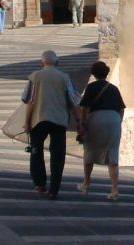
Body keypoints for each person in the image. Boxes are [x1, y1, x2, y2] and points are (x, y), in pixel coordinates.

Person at [24, 50, 78, 199]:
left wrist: (26, 122)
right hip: (59, 120)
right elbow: (73, 102)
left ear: (42, 63)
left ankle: (39, 184)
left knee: (36, 152)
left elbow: (29, 101)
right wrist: (79, 121)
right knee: (58, 155)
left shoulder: (35, 77)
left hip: (38, 119)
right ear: (57, 62)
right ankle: (54, 189)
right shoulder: (64, 78)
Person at [77, 60, 125, 201]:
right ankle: (114, 190)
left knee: (90, 151)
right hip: (114, 119)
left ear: (93, 73)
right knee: (113, 155)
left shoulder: (91, 87)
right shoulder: (114, 88)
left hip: (96, 118)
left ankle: (86, 184)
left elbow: (85, 107)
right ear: (106, 72)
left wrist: (83, 123)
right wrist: (118, 121)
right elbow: (121, 108)